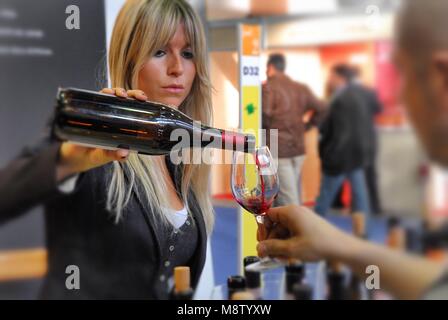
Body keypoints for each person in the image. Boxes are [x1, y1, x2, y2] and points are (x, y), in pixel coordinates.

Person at [0, 0, 213, 299]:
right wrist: (66, 160)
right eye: (160, 51)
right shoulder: (91, 136)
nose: (177, 68)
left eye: (188, 53)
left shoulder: (181, 159)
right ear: (129, 58)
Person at [257, 0, 448, 299]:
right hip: (345, 154)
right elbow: (437, 283)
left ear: (442, 77)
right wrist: (341, 245)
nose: (400, 93)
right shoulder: (312, 90)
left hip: (302, 152)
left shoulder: (275, 90)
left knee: (301, 203)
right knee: (353, 198)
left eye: (404, 74)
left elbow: (266, 117)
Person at [262, 53, 325, 207]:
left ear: (270, 68)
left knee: (288, 201)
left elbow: (264, 116)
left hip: (277, 150)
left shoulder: (267, 89)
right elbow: (322, 109)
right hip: (298, 150)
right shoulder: (301, 88)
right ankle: (279, 230)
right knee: (279, 197)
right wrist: (306, 126)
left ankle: (298, 230)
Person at [315, 64, 372, 217]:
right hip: (355, 154)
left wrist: (331, 153)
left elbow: (341, 130)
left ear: (340, 77)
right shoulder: (356, 95)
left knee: (325, 196)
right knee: (360, 196)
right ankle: (362, 233)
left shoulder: (342, 99)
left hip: (340, 155)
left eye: (331, 76)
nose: (329, 79)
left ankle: (311, 232)